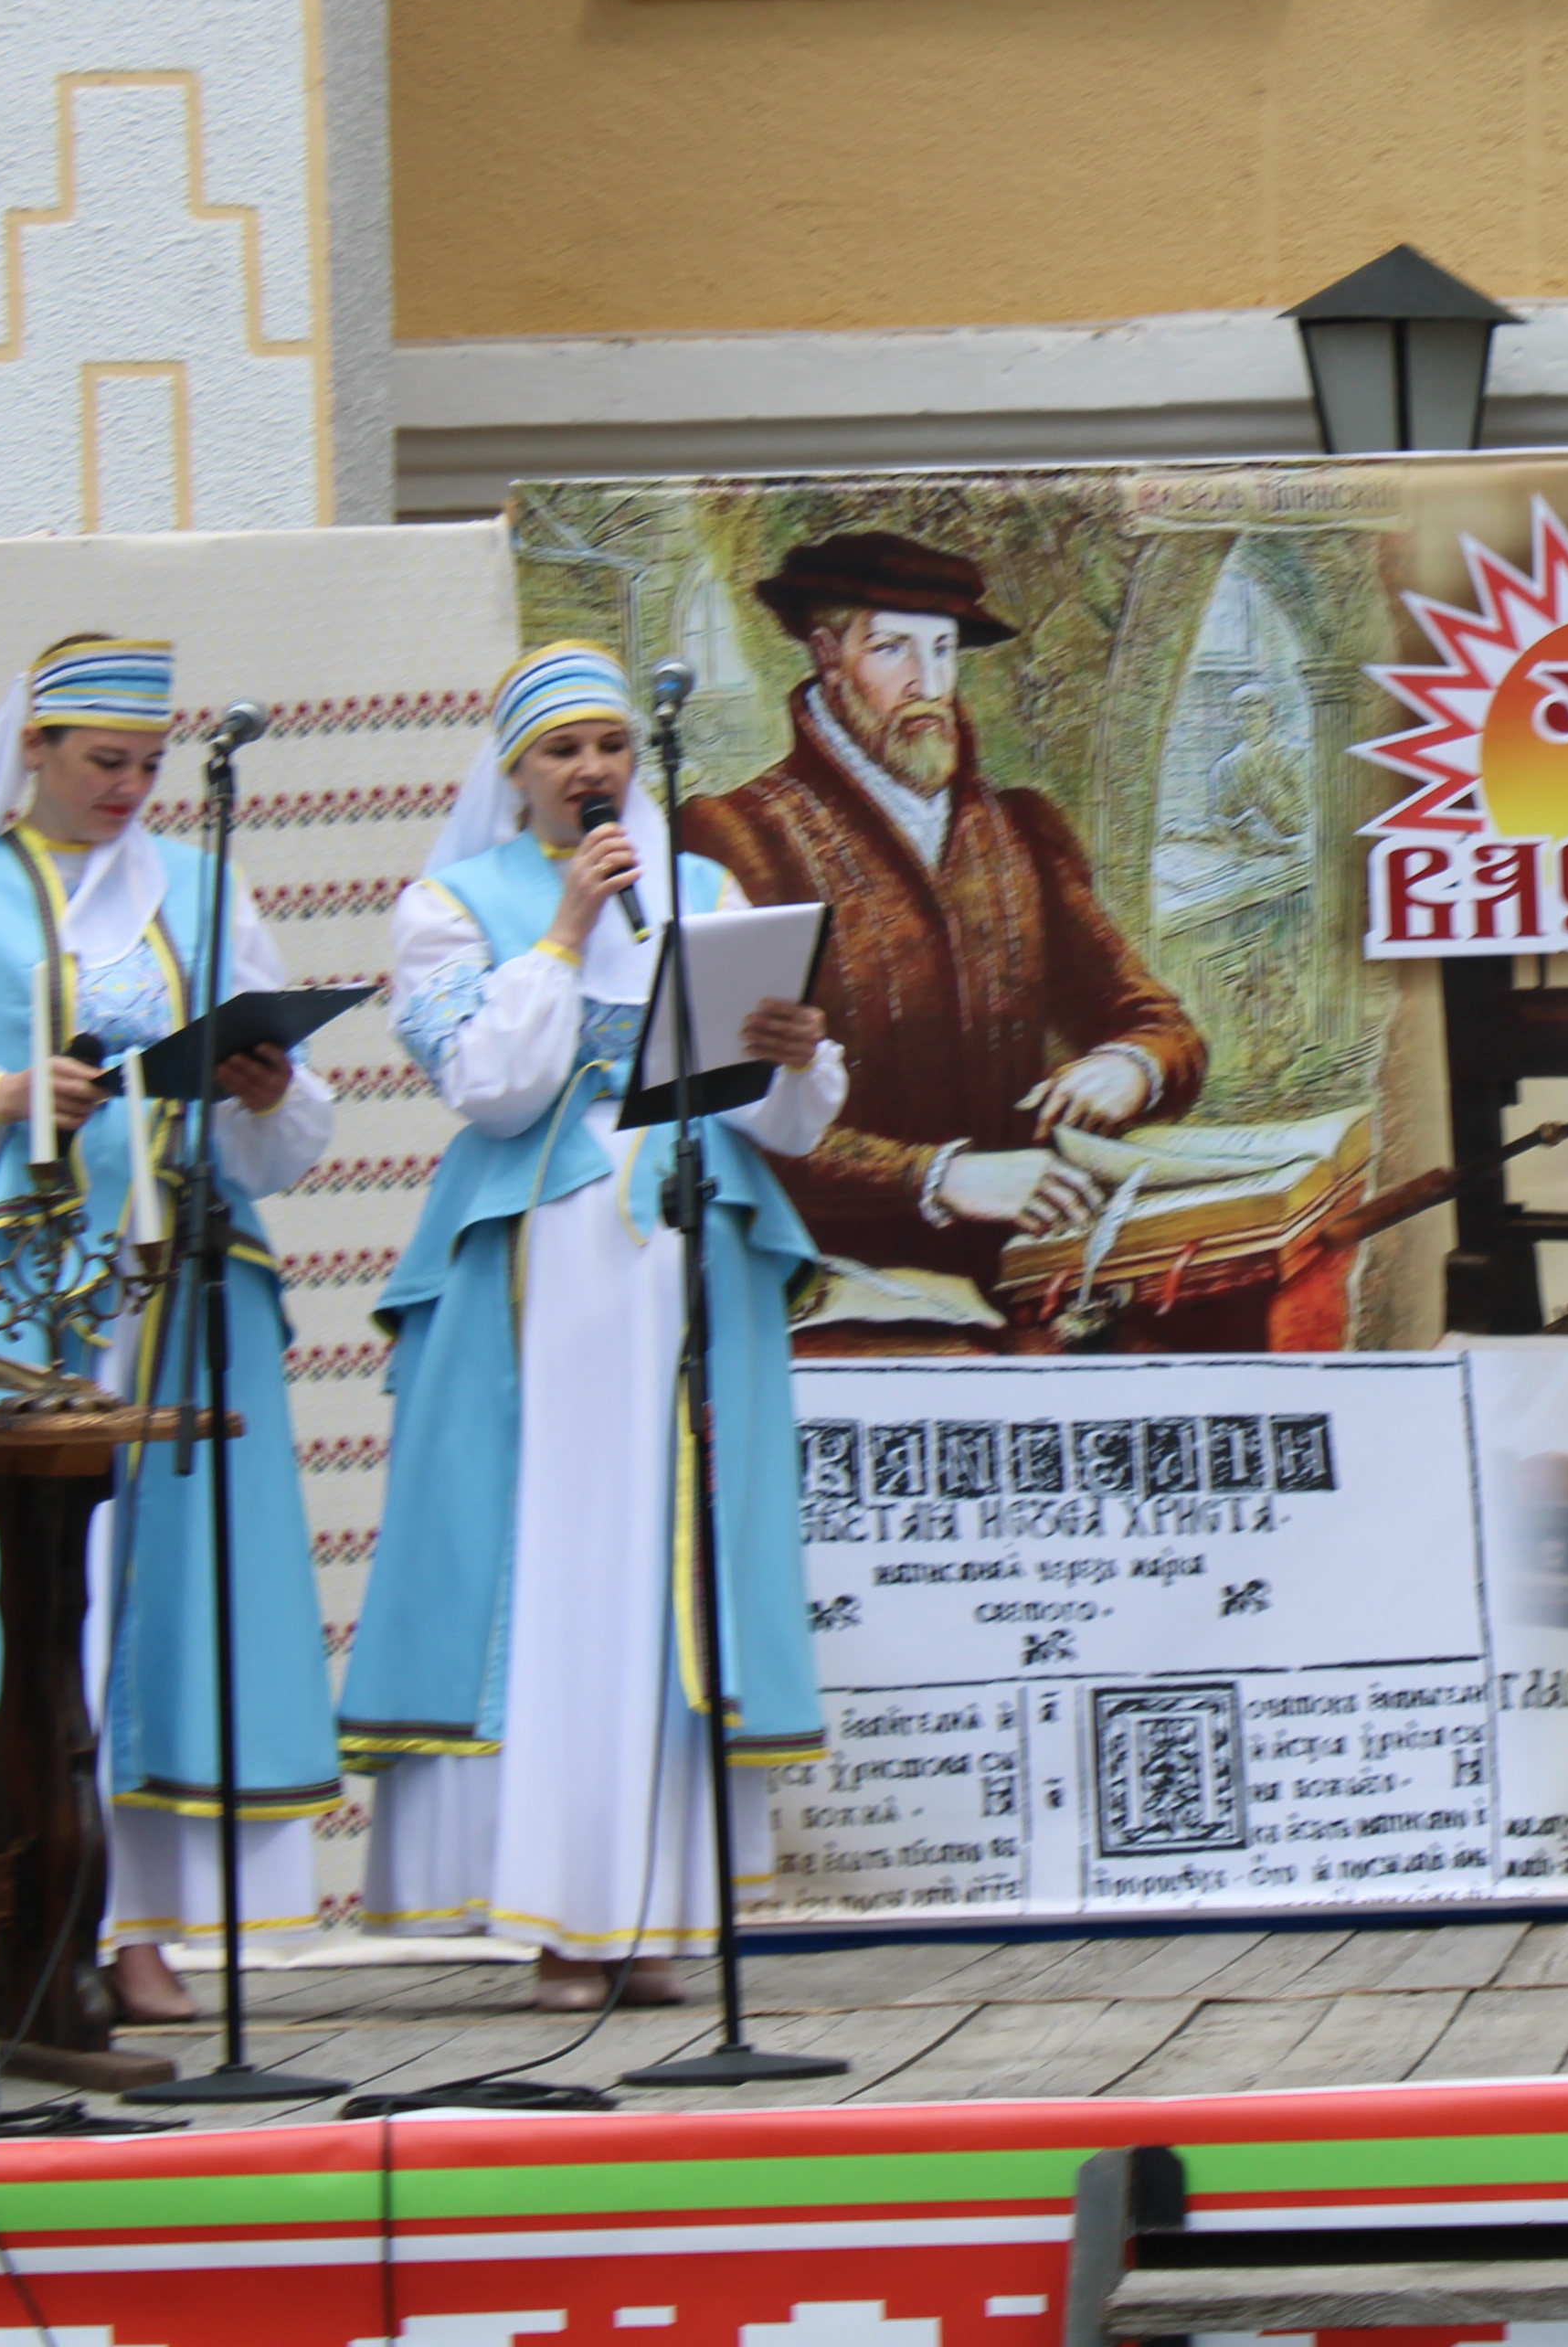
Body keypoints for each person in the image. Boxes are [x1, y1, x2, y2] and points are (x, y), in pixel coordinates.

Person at [0, 633, 341, 2023]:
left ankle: (144, 1925)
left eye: (150, 765)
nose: (130, 787)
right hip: (17, 1299)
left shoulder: (205, 889)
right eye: (106, 761)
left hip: (176, 1289)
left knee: (163, 1602)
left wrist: (262, 1087)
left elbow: (286, 1133)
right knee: (27, 1598)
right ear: (35, 748)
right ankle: (13, 1910)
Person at [344, 645, 850, 2009]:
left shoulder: (706, 892)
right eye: (563, 750)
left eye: (611, 746)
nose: (594, 771)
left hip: (692, 1259)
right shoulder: (453, 906)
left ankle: (659, 1909)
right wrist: (565, 933)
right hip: (549, 1279)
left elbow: (780, 1118)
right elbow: (493, 1088)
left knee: (668, 1567)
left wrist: (795, 1054)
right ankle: (563, 1916)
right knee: (566, 1564)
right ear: (514, 770)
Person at [674, 532, 1208, 1315]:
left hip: (1040, 1265)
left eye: (944, 649)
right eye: (892, 649)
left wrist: (1133, 1065)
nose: (928, 684)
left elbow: (1161, 1024)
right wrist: (936, 1177)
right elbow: (714, 1110)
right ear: (827, 655)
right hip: (841, 1289)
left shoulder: (1020, 829)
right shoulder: (736, 838)